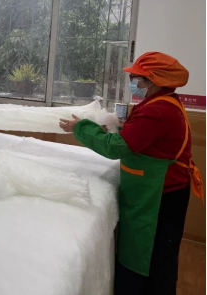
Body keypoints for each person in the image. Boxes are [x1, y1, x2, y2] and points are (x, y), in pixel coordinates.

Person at [59, 52, 204, 295]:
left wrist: (81, 127)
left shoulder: (158, 110)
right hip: (163, 189)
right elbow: (140, 137)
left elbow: (116, 147)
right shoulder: (164, 101)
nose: (133, 82)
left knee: (150, 258)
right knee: (157, 256)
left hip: (160, 196)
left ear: (153, 80)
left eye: (137, 77)